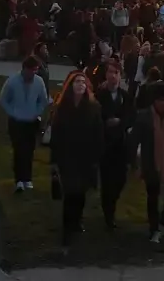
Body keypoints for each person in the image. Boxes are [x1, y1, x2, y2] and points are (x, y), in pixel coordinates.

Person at [49, 71, 103, 251]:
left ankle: (77, 220)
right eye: (76, 81)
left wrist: (96, 157)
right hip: (67, 157)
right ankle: (67, 229)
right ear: (70, 86)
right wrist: (54, 159)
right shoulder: (62, 107)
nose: (80, 84)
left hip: (85, 158)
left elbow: (98, 134)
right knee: (70, 193)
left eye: (83, 81)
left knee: (80, 194)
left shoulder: (94, 108)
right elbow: (55, 135)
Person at [128, 82, 164, 243]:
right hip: (150, 164)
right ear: (154, 101)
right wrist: (134, 164)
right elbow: (133, 140)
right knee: (153, 198)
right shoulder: (144, 117)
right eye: (159, 100)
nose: (162, 104)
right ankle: (154, 229)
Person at [0, 56, 51, 193]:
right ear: (25, 69)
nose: (34, 72)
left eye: (36, 70)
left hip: (31, 122)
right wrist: (13, 113)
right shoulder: (12, 81)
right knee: (18, 150)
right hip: (16, 122)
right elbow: (3, 99)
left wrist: (36, 112)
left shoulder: (39, 82)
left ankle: (27, 178)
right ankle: (19, 180)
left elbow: (43, 100)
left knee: (29, 150)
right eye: (32, 70)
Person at [95, 60, 132, 230]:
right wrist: (105, 124)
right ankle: (108, 212)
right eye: (110, 72)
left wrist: (120, 122)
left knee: (121, 179)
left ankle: (112, 201)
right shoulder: (99, 96)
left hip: (121, 145)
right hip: (105, 145)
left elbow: (132, 116)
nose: (113, 76)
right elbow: (94, 118)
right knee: (107, 181)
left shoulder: (125, 96)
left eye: (116, 73)